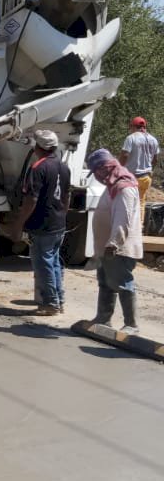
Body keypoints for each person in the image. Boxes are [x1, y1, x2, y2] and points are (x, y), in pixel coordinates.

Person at [11, 130, 71, 316]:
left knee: (43, 264)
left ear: (38, 147)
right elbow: (67, 196)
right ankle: (59, 300)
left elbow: (32, 199)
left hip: (42, 224)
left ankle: (50, 303)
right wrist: (62, 215)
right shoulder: (64, 167)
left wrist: (19, 223)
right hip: (58, 223)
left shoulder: (38, 168)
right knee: (54, 262)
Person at [86, 148, 143, 332]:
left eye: (96, 172)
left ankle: (131, 324)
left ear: (104, 169)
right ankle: (103, 319)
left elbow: (123, 219)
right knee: (105, 283)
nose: (96, 177)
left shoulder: (123, 188)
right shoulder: (113, 185)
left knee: (123, 284)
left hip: (118, 248)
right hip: (107, 247)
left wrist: (114, 244)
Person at [119, 116, 159, 225]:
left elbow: (125, 155)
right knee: (140, 202)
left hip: (132, 178)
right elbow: (155, 159)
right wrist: (149, 169)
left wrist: (118, 168)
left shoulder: (131, 138)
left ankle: (126, 226)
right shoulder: (153, 140)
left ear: (133, 126)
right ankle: (139, 227)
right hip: (146, 178)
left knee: (127, 202)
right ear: (144, 127)